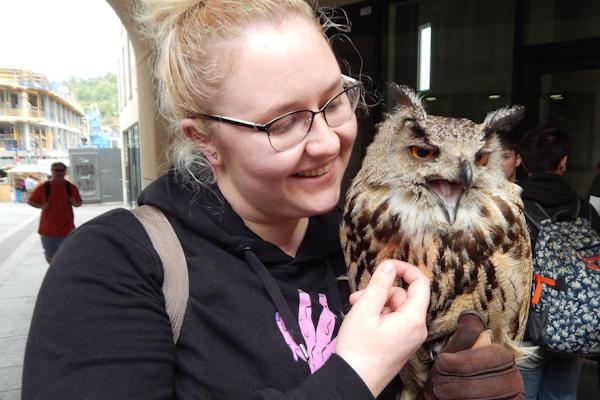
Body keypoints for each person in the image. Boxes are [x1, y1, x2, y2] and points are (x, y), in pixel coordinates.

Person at [22, 2, 523, 399]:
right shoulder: (114, 265)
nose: (327, 141)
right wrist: (354, 376)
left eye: (333, 101)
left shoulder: (373, 235)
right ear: (204, 139)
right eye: (281, 123)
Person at [517, 126, 600, 400]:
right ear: (563, 161)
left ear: (522, 161)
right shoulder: (586, 211)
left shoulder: (513, 211)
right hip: (574, 331)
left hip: (527, 332)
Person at [26, 162, 82, 264]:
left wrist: (75, 203)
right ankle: (55, 273)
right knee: (50, 255)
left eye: (61, 170)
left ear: (65, 172)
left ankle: (62, 273)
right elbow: (30, 201)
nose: (59, 173)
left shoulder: (71, 187)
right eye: (56, 170)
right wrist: (42, 206)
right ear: (51, 171)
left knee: (66, 255)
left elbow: (79, 203)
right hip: (48, 230)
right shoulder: (43, 187)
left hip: (67, 229)